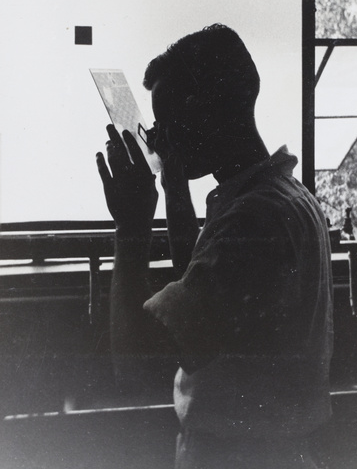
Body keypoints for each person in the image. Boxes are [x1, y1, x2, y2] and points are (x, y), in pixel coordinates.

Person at [96, 24, 333, 469]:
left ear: (203, 110)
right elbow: (200, 282)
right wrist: (173, 184)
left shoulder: (251, 219)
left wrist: (131, 227)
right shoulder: (282, 195)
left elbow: (137, 367)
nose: (161, 139)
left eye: (167, 122)